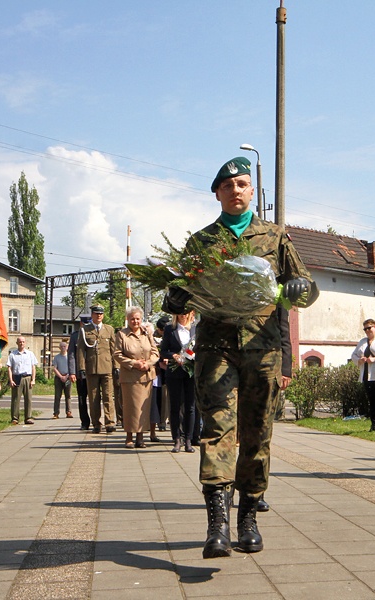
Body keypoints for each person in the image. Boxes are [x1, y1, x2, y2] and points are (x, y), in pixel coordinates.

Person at [163, 156, 318, 558]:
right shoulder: (201, 242)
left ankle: (248, 517)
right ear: (217, 193)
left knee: (257, 434)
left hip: (262, 349)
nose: (236, 191)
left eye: (243, 184)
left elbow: (302, 290)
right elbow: (179, 291)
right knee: (215, 431)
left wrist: (298, 287)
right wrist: (174, 297)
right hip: (216, 349)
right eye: (228, 186)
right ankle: (217, 525)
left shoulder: (275, 238)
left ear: (252, 192)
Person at [113, 306, 159, 448]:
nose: (135, 321)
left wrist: (149, 363)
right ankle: (129, 436)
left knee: (143, 408)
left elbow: (155, 353)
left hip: (146, 376)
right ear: (127, 319)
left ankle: (140, 437)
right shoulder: (122, 334)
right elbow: (117, 354)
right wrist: (134, 363)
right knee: (130, 407)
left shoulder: (147, 334)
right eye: (132, 319)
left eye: (138, 318)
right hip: (130, 377)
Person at [75, 305, 116, 433]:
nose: (99, 316)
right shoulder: (85, 330)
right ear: (92, 315)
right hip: (91, 369)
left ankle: (110, 422)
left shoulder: (109, 330)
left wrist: (117, 366)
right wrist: (81, 367)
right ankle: (96, 424)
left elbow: (113, 349)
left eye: (101, 314)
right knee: (94, 398)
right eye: (96, 314)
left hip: (107, 368)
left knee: (108, 396)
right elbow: (81, 350)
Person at [161, 310, 197, 453]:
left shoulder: (196, 328)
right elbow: (163, 350)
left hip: (191, 372)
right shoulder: (170, 328)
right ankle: (176, 439)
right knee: (175, 406)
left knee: (190, 407)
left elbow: (201, 347)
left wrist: (194, 356)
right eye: (180, 312)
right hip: (175, 372)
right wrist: (174, 355)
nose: (183, 315)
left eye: (186, 312)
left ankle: (188, 440)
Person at [7, 336, 38, 425]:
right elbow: (9, 368)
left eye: (23, 342)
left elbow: (33, 367)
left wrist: (33, 379)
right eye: (20, 342)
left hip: (27, 377)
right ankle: (15, 418)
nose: (22, 343)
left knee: (28, 398)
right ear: (17, 343)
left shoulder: (30, 354)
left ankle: (28, 417)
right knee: (16, 399)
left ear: (25, 343)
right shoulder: (12, 354)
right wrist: (11, 380)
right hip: (17, 377)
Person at [68, 315, 91, 431]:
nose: (86, 326)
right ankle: (85, 422)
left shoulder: (94, 334)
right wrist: (72, 372)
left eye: (88, 324)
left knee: (95, 398)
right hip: (80, 373)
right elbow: (71, 355)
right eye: (84, 324)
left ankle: (96, 421)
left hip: (94, 371)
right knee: (82, 398)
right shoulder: (75, 336)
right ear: (81, 324)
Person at [52, 341, 73, 419]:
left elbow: (72, 367)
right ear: (59, 348)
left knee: (68, 396)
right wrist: (61, 376)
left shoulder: (70, 357)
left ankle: (69, 412)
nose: (63, 348)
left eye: (65, 346)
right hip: (58, 378)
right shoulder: (57, 357)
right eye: (62, 346)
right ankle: (56, 413)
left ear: (67, 347)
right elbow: (54, 368)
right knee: (57, 396)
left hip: (68, 377)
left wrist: (67, 376)